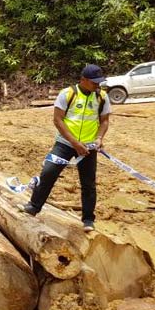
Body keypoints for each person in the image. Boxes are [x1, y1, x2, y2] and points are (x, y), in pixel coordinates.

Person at [18, 64, 110, 231]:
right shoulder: (68, 94)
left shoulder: (102, 97)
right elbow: (58, 120)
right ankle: (34, 206)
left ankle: (88, 219)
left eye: (99, 82)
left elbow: (104, 120)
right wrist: (75, 143)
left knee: (88, 183)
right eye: (94, 82)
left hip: (89, 147)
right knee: (48, 173)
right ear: (83, 80)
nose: (98, 85)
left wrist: (99, 138)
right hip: (65, 144)